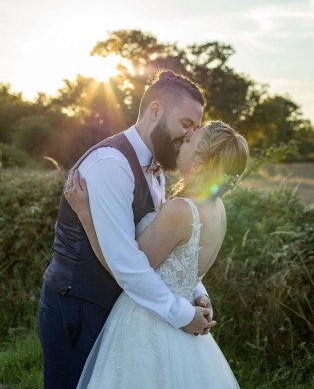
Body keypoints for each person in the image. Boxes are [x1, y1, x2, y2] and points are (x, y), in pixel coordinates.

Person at [38, 70, 215, 389]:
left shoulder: (157, 170)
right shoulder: (112, 164)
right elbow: (126, 263)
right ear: (156, 110)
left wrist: (197, 294)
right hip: (80, 308)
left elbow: (166, 251)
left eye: (195, 129)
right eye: (186, 125)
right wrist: (183, 315)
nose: (189, 136)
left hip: (125, 310)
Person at [67, 120, 249, 388]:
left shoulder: (179, 210)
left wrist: (87, 217)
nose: (183, 138)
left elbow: (127, 269)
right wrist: (201, 294)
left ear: (199, 164)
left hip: (148, 323)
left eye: (190, 141)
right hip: (184, 323)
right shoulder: (216, 208)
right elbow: (187, 265)